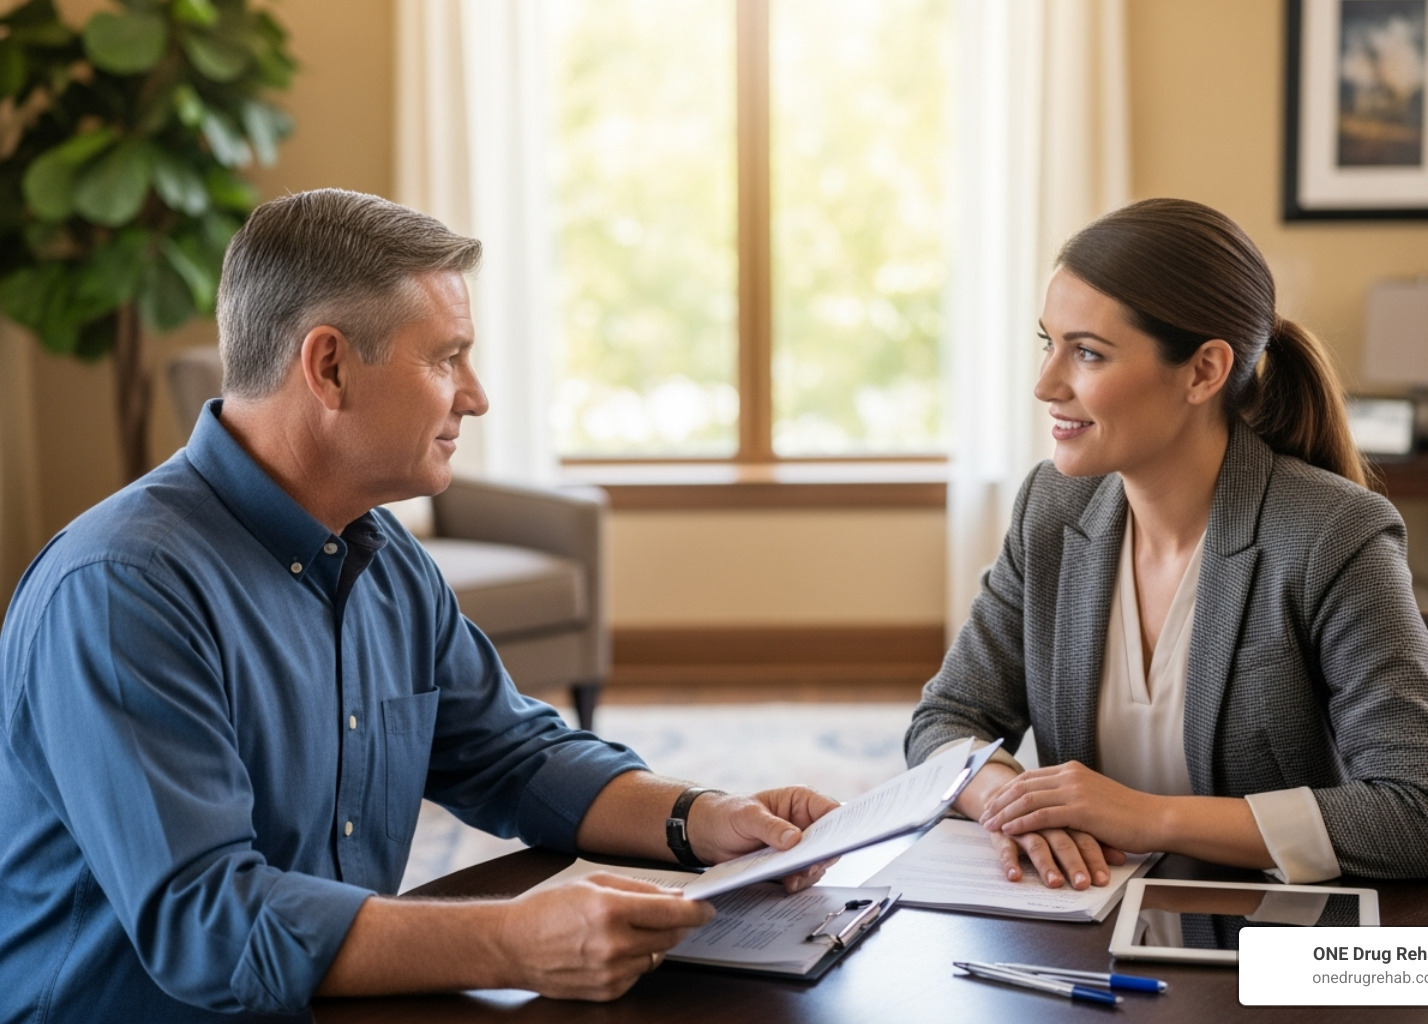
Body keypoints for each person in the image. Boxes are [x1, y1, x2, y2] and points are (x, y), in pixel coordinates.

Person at [0, 189, 835, 1022]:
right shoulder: (121, 591)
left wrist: (703, 818)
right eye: (446, 358)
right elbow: (209, 925)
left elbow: (513, 756)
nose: (474, 396)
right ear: (328, 366)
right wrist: (512, 942)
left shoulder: (386, 556)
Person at [906, 197, 1428, 894]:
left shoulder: (1333, 534)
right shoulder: (1052, 508)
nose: (1046, 384)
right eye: (1047, 343)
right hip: (1082, 933)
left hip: (1261, 955)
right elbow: (947, 720)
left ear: (1203, 372)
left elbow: (1423, 818)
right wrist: (1015, 806)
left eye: (1087, 352)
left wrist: (1149, 818)